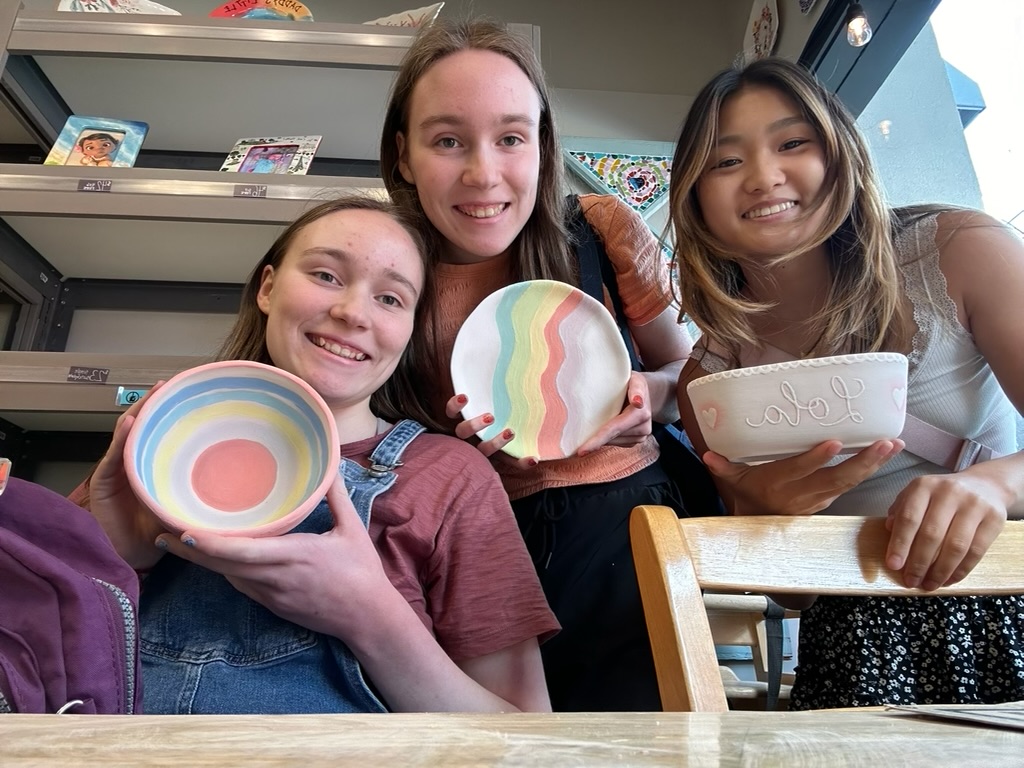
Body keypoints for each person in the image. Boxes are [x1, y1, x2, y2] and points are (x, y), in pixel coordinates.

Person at [72, 194, 558, 714]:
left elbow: (524, 734)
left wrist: (368, 614)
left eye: (391, 299)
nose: (351, 313)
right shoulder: (154, 445)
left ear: (410, 329)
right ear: (267, 287)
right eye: (326, 275)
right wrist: (115, 559)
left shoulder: (450, 475)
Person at [669, 56, 1024, 709]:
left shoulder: (960, 250)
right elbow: (793, 594)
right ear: (693, 197)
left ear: (840, 153)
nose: (764, 176)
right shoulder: (709, 378)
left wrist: (993, 484)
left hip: (1009, 596)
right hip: (857, 643)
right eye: (725, 162)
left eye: (793, 143)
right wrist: (769, 515)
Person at [379, 18, 695, 712]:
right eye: (447, 140)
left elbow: (688, 378)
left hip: (626, 530)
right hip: (463, 547)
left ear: (543, 145)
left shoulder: (601, 229)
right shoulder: (383, 267)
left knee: (634, 742)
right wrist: (469, 464)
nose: (482, 172)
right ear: (403, 155)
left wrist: (648, 394)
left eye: (511, 138)